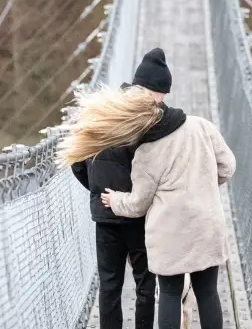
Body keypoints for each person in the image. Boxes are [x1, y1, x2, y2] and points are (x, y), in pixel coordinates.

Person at [61, 47, 236, 329]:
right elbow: (228, 167)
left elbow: (136, 199)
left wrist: (106, 197)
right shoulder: (197, 127)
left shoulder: (132, 135)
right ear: (161, 93)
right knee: (203, 292)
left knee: (153, 291)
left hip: (155, 226)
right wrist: (200, 184)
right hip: (202, 224)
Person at [68, 80, 158, 329]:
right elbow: (149, 172)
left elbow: (77, 165)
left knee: (109, 285)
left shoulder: (95, 127)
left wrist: (98, 191)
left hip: (106, 217)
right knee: (145, 284)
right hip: (136, 215)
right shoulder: (140, 129)